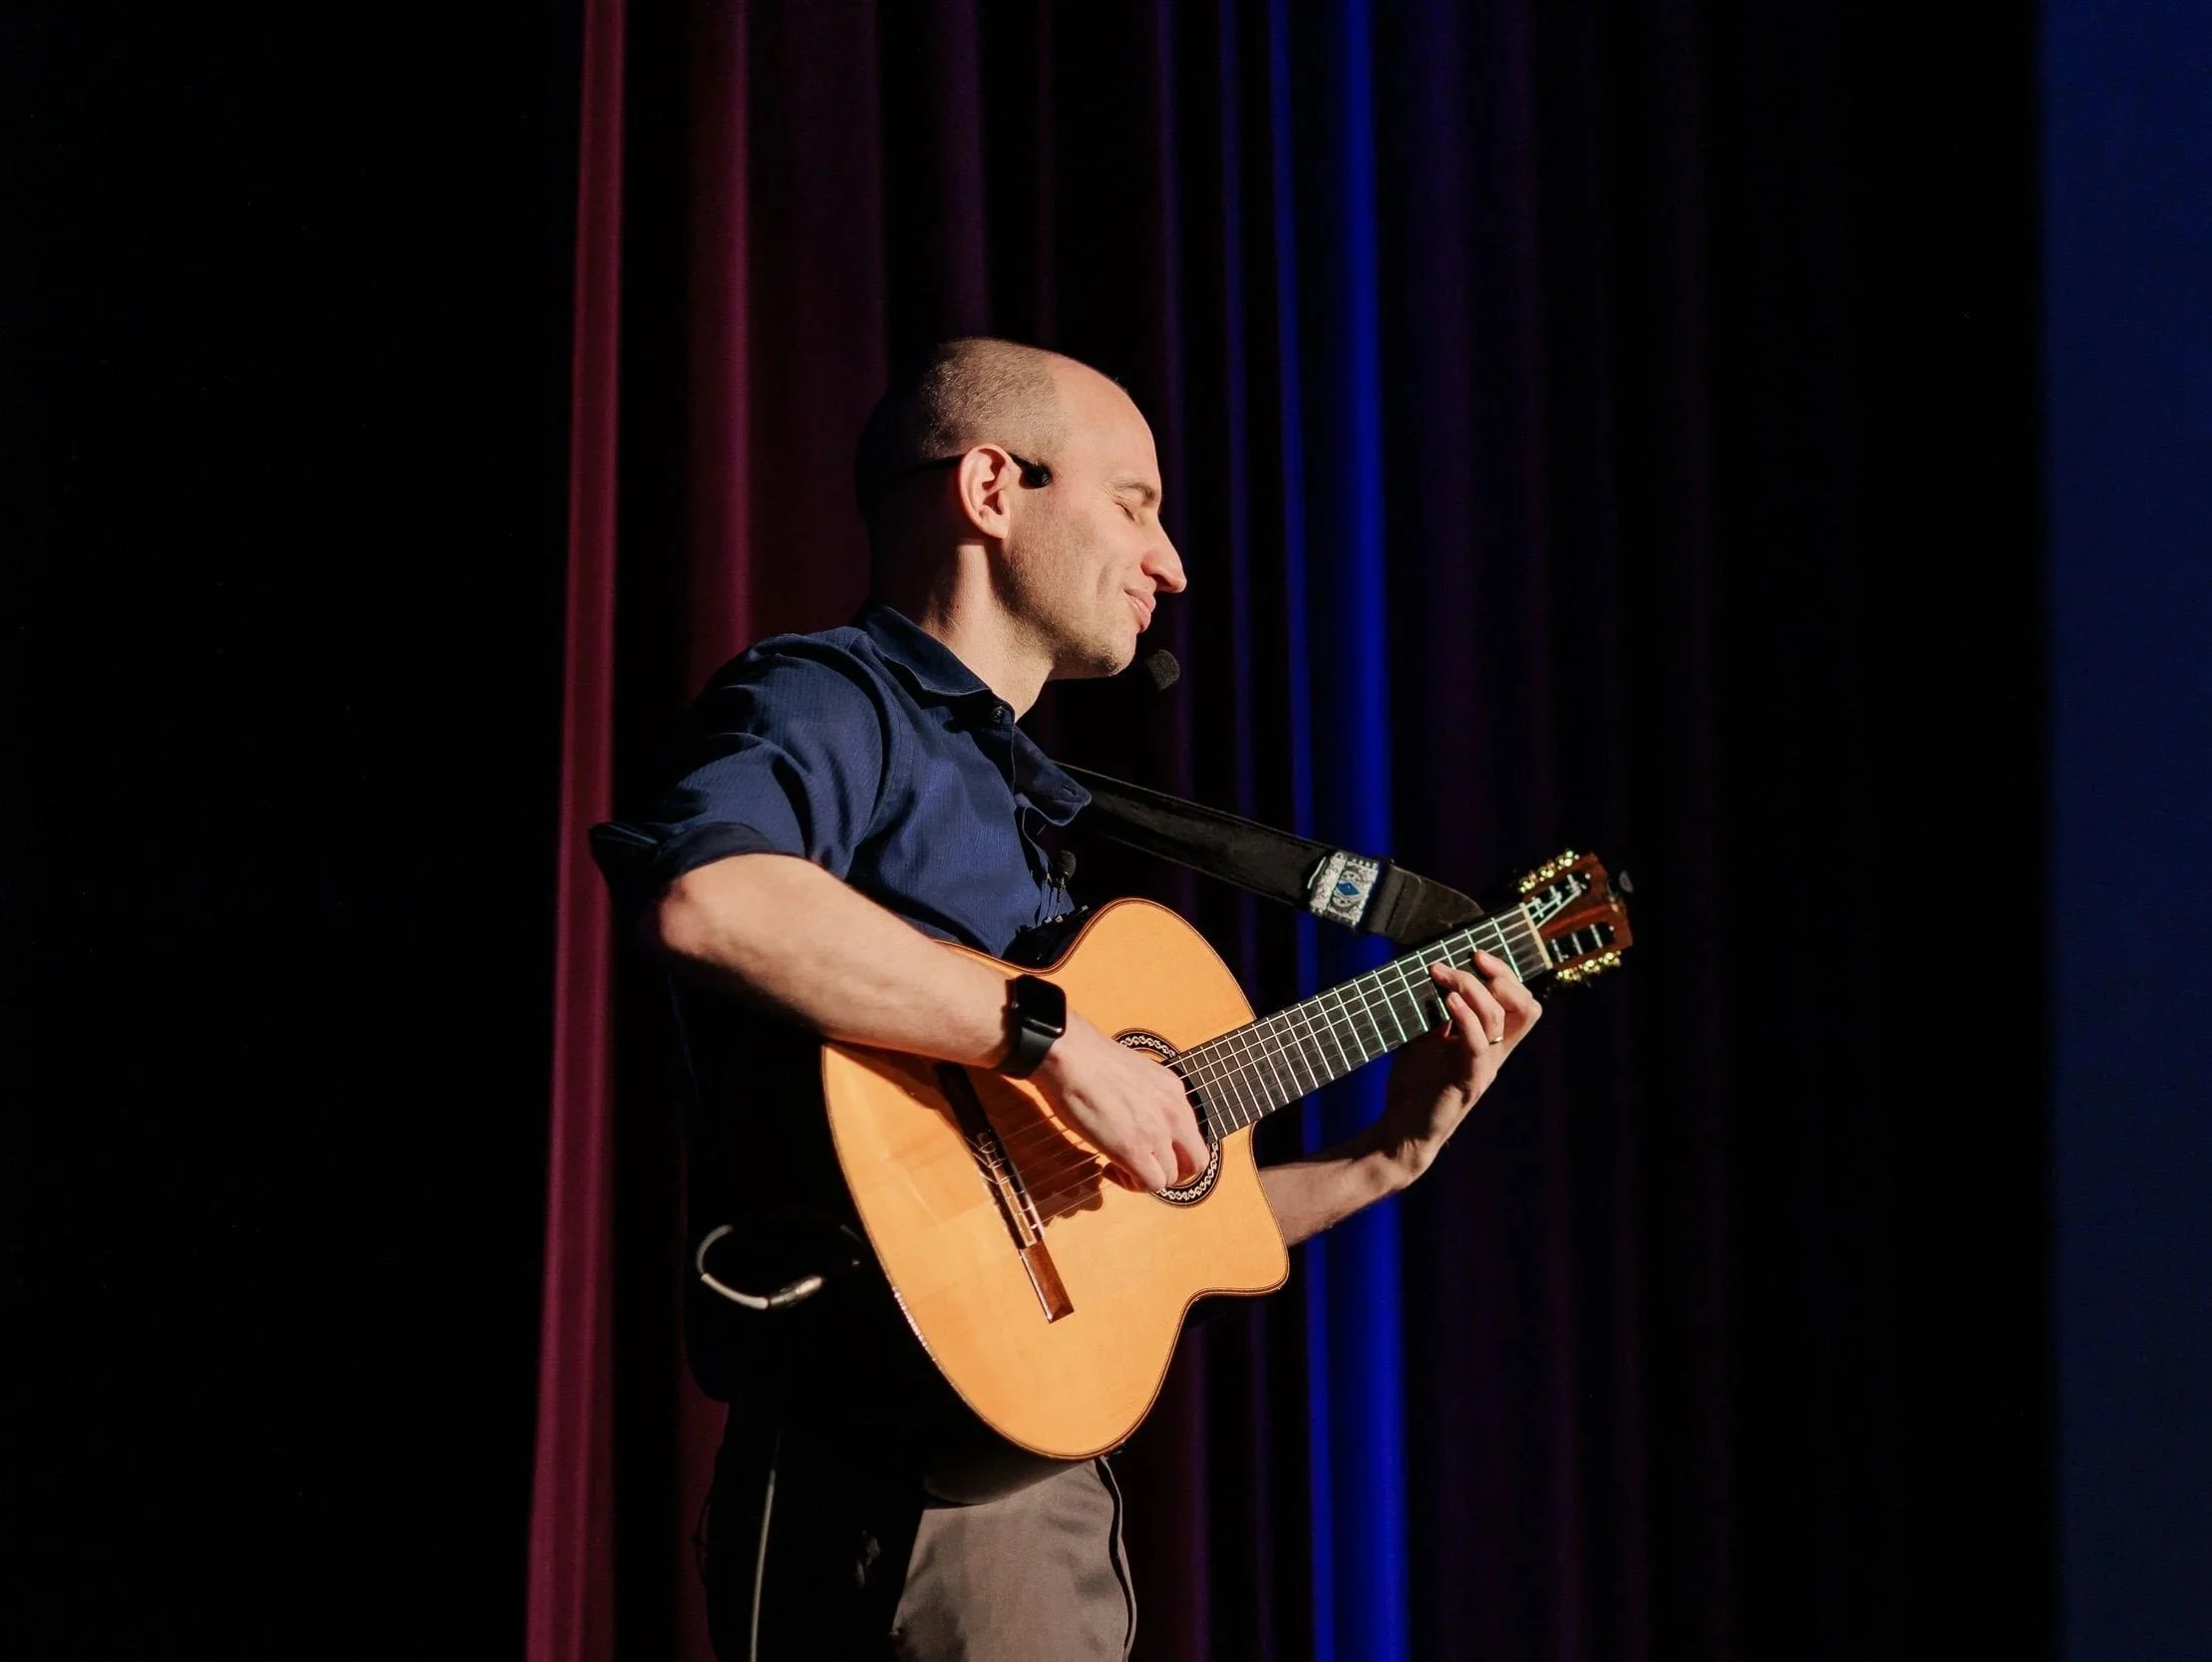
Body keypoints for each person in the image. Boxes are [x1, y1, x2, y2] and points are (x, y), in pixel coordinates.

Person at [588, 337, 1541, 1662]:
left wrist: (1386, 1158)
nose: (1172, 567)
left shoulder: (1017, 805)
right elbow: (716, 900)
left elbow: (1136, 1239)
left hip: (1021, 1476)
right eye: (1136, 505)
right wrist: (1054, 1040)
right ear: (990, 488)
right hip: (900, 1486)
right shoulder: (826, 699)